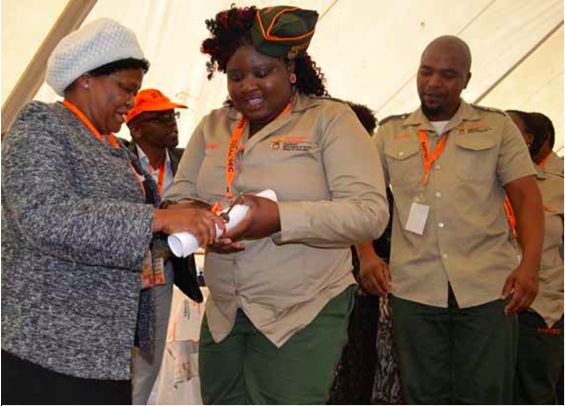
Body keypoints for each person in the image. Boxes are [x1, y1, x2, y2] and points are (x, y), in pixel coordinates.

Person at [165, 5, 389, 404]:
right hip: (225, 313)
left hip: (301, 311)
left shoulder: (329, 120)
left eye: (261, 73)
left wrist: (280, 218)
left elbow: (369, 213)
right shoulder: (214, 126)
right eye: (236, 76)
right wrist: (201, 223)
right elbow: (179, 197)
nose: (247, 86)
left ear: (291, 69)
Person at [1, 19, 223, 405]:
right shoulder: (42, 125)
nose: (131, 102)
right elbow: (44, 216)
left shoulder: (120, 150)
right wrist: (159, 218)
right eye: (125, 88)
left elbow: (134, 237)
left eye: (134, 91)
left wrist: (198, 228)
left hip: (106, 350)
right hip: (47, 345)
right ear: (85, 78)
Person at [357, 35, 545, 404]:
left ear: (466, 80)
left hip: (489, 288)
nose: (433, 83)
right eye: (426, 72)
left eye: (447, 75)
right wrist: (366, 254)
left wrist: (531, 267)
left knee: (486, 392)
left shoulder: (497, 128)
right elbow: (362, 200)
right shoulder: (391, 133)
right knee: (423, 393)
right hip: (414, 288)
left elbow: (526, 198)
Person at [125, 88, 204, 404]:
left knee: (149, 357)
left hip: (162, 272)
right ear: (136, 128)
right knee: (116, 356)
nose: (172, 123)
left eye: (173, 115)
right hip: (120, 272)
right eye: (160, 118)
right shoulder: (116, 158)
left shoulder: (188, 161)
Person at [507, 110, 564, 405]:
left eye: (511, 129)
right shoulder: (493, 179)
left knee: (536, 391)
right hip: (495, 302)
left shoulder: (559, 181)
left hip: (544, 305)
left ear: (530, 138)